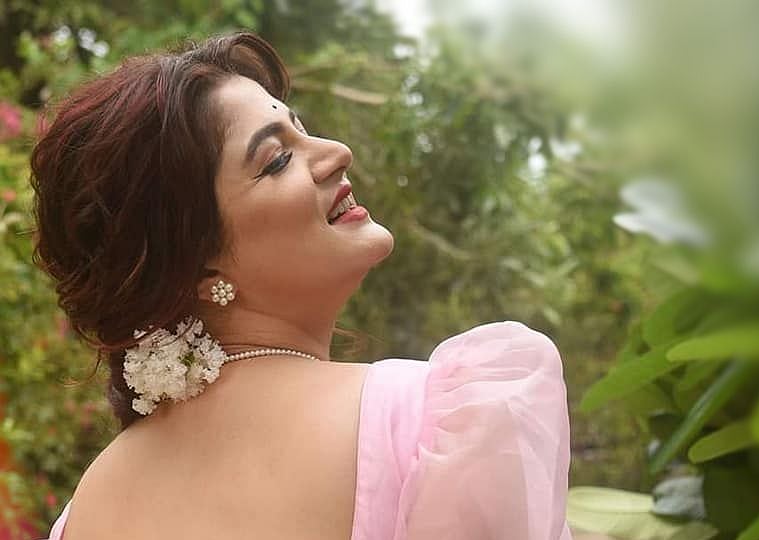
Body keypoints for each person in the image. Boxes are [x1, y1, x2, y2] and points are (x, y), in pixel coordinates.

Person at [30, 32, 572, 539]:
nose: (337, 152)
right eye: (278, 160)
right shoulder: (438, 426)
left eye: (302, 127)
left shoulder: (84, 511)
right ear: (196, 267)